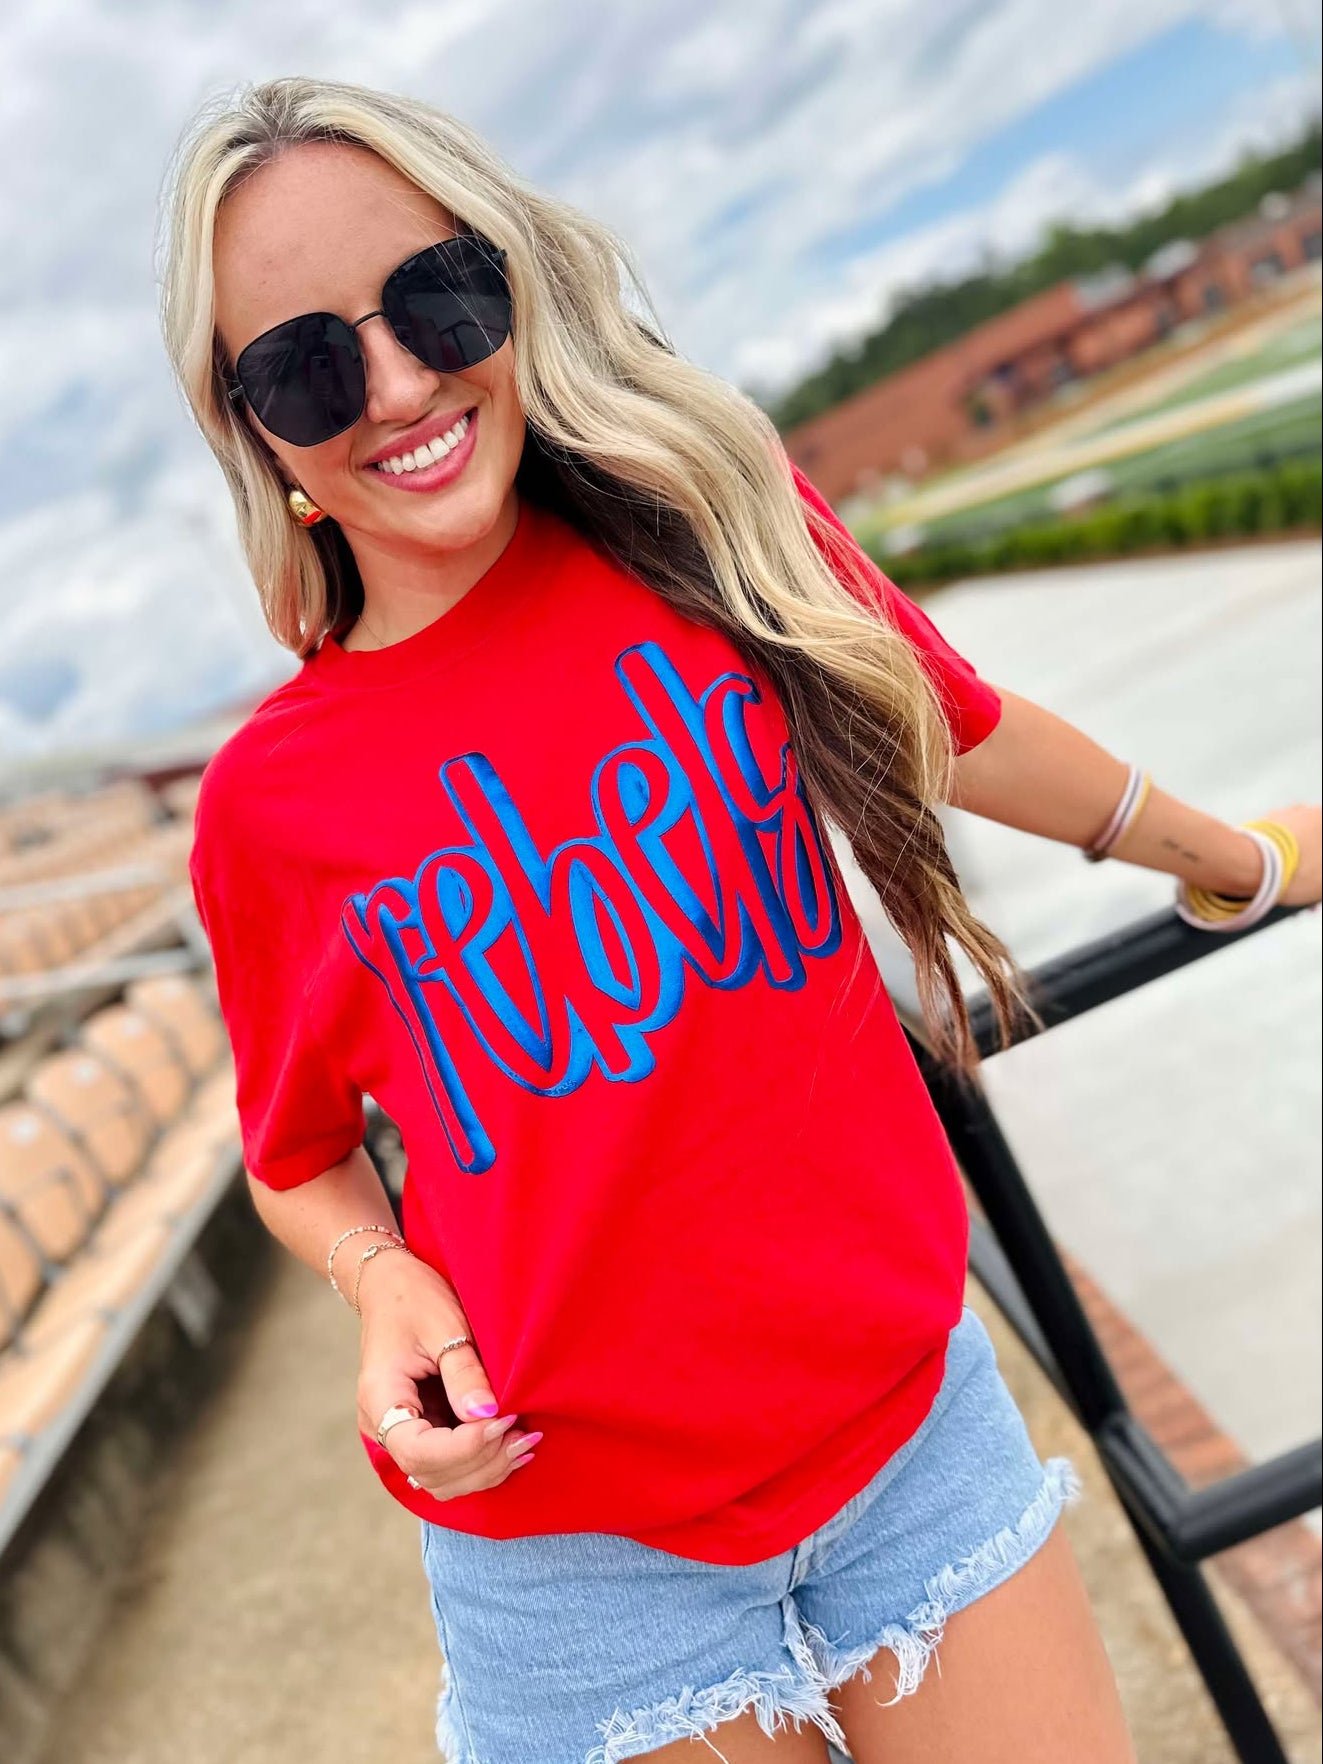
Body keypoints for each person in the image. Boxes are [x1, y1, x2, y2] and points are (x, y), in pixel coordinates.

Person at [159, 75, 1319, 1764]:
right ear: (254, 426)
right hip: (579, 1565)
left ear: (512, 281)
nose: (400, 383)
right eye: (307, 364)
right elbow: (294, 1149)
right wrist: (379, 1274)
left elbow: (955, 724)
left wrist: (1237, 853)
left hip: (909, 1444)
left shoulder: (712, 532)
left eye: (436, 298)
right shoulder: (270, 811)